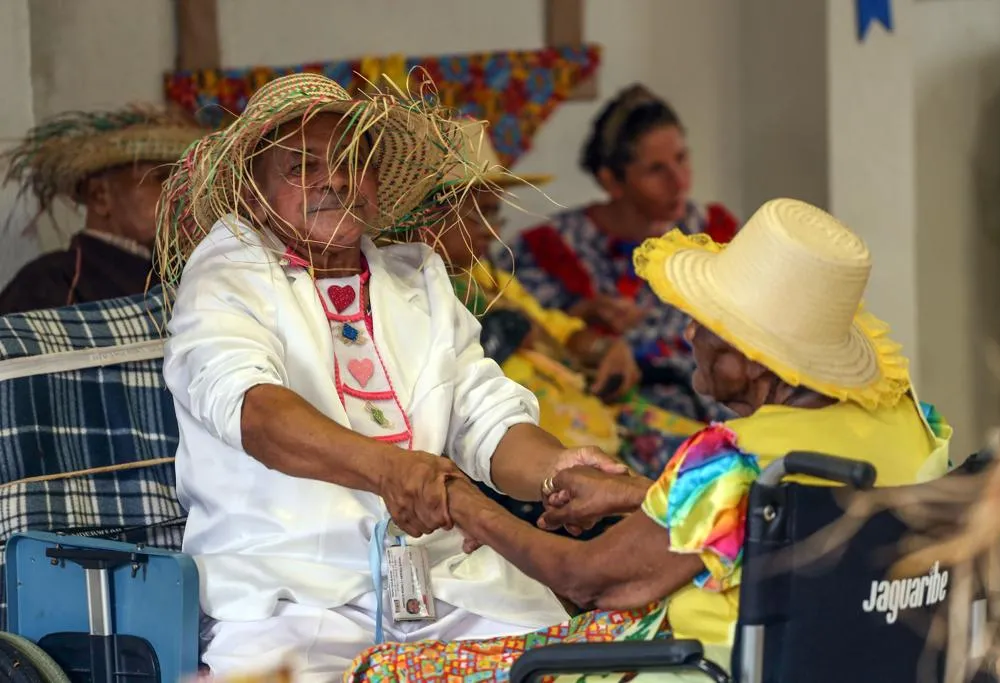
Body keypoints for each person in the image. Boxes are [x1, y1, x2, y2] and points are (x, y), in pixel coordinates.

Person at [344, 198, 953, 681]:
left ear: (760, 364)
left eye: (709, 323)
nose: (687, 332)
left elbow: (587, 578)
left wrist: (462, 501)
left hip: (691, 666)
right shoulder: (908, 418)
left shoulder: (733, 455)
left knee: (384, 672)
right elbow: (781, 509)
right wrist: (641, 493)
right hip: (858, 661)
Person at [155, 73, 623, 681]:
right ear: (252, 190)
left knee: (568, 667)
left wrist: (559, 472)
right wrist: (390, 470)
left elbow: (487, 417)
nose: (336, 179)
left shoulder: (419, 277)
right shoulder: (228, 273)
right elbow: (255, 412)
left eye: (355, 161)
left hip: (452, 585)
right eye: (301, 165)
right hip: (289, 596)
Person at [422, 119, 706, 484]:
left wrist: (605, 347)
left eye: (494, 213)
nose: (492, 231)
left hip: (587, 418)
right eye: (477, 214)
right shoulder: (421, 293)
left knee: (707, 456)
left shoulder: (491, 278)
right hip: (533, 444)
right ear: (428, 216)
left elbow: (558, 329)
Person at [495, 84, 739, 478]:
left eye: (681, 159)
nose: (679, 182)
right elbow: (526, 334)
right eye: (656, 170)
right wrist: (582, 313)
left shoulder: (714, 233)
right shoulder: (553, 250)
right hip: (619, 417)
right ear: (611, 180)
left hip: (725, 401)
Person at [0, 106, 205, 313]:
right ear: (100, 197)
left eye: (183, 181)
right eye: (160, 177)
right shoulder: (50, 282)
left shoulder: (184, 274)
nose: (180, 193)